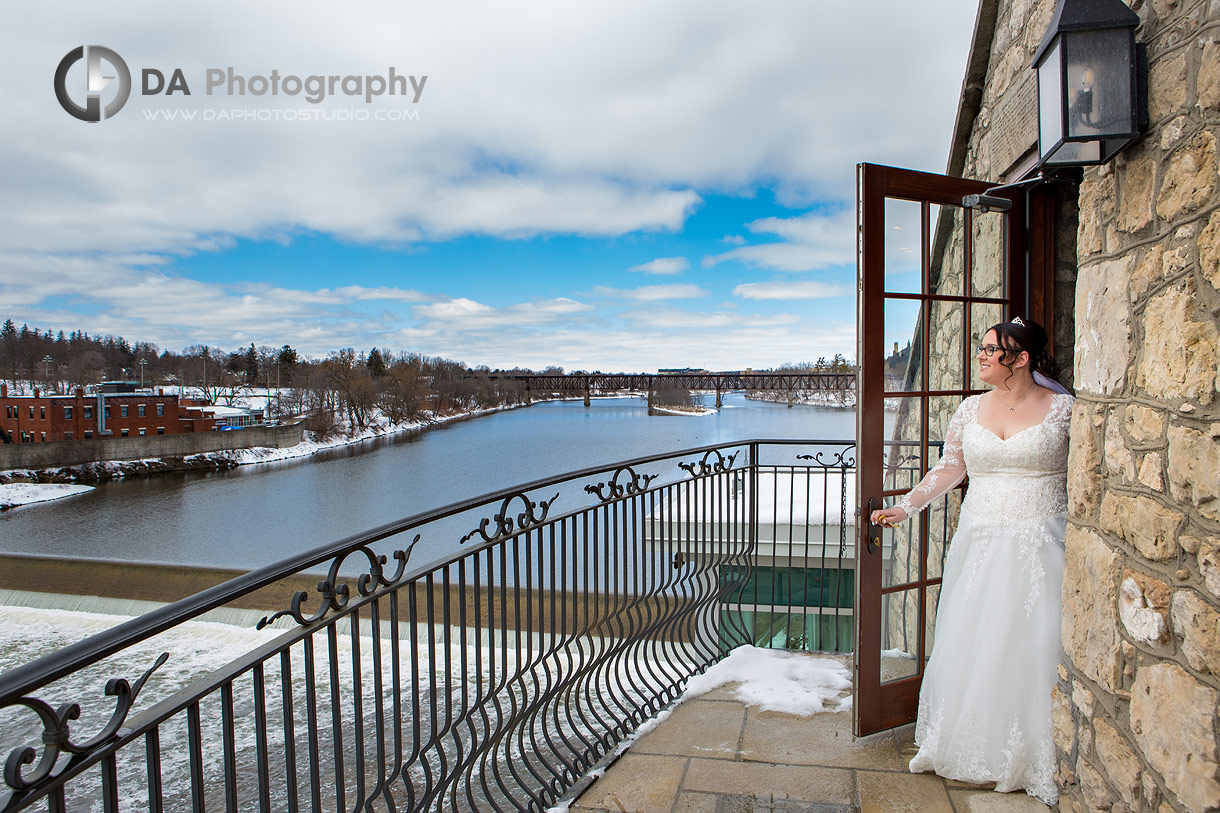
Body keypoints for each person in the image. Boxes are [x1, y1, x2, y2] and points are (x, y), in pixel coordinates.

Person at [869, 317, 1072, 805]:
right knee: (975, 639)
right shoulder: (968, 410)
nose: (979, 356)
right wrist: (906, 506)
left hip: (1039, 542)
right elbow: (950, 467)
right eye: (980, 348)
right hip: (979, 541)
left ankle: (1029, 753)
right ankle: (969, 743)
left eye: (989, 350)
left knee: (1031, 642)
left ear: (1020, 359)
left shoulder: (1064, 410)